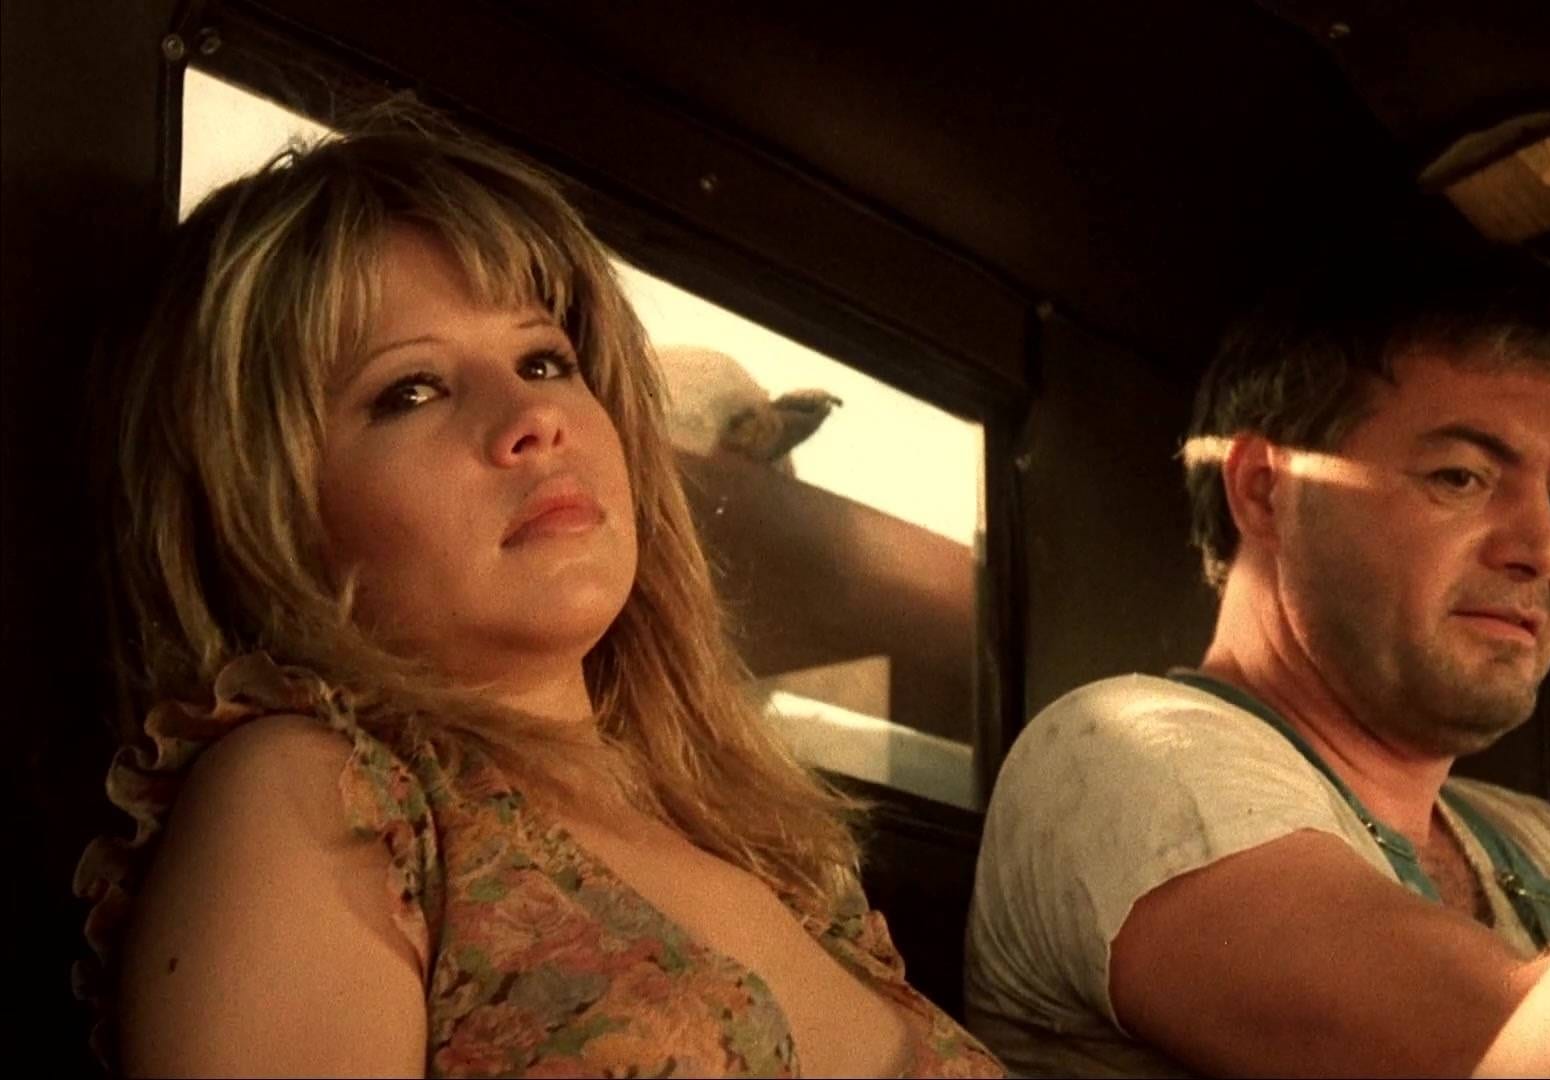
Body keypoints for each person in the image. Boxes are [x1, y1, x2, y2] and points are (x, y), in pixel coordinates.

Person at [72, 113, 1003, 1078]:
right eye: (412, 390)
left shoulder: (786, 864)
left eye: (545, 361)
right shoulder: (322, 796)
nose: (535, 416)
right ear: (264, 509)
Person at [963, 253, 1550, 1077]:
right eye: (1460, 477)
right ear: (1264, 489)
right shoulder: (1121, 756)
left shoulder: (1539, 848)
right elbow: (1513, 1053)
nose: (1541, 551)